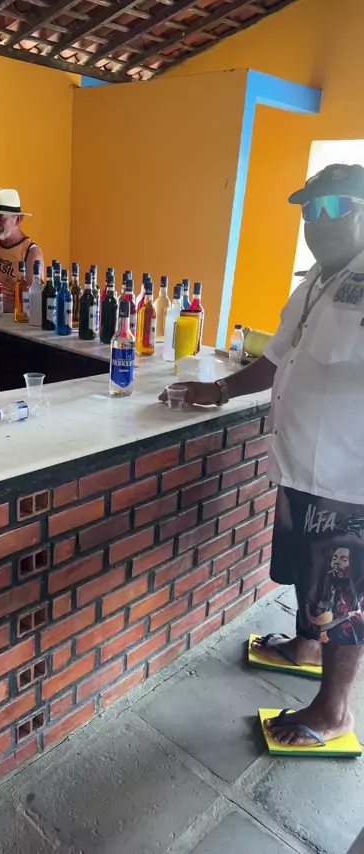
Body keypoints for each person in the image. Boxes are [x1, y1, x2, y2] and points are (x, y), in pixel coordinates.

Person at [160, 163, 364, 748]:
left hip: (347, 480)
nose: (318, 221)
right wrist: (220, 389)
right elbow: (278, 358)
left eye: (336, 207)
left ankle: (334, 712)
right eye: (309, 210)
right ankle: (304, 647)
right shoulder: (313, 283)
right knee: (307, 574)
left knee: (342, 600)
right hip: (300, 465)